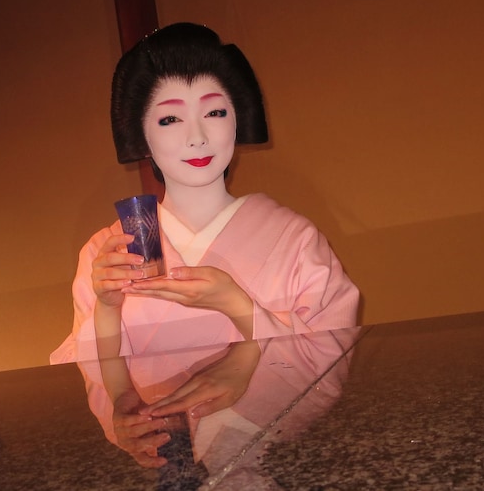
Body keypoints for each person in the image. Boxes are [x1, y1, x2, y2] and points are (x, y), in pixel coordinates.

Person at [50, 22, 359, 366]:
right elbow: (88, 383)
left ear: (238, 121)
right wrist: (107, 308)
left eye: (214, 112)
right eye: (170, 119)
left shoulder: (297, 240)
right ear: (141, 136)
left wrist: (236, 304)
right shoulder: (106, 254)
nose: (197, 137)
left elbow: (333, 363)